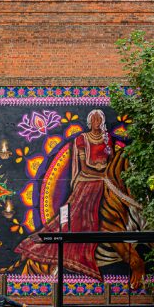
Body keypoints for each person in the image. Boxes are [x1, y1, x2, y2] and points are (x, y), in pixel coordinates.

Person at [15, 109, 116, 277]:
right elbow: (84, 165)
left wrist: (107, 154)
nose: (97, 122)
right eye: (95, 119)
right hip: (88, 180)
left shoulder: (107, 139)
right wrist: (99, 169)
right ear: (90, 122)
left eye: (100, 119)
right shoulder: (81, 139)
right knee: (78, 216)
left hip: (106, 179)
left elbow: (112, 162)